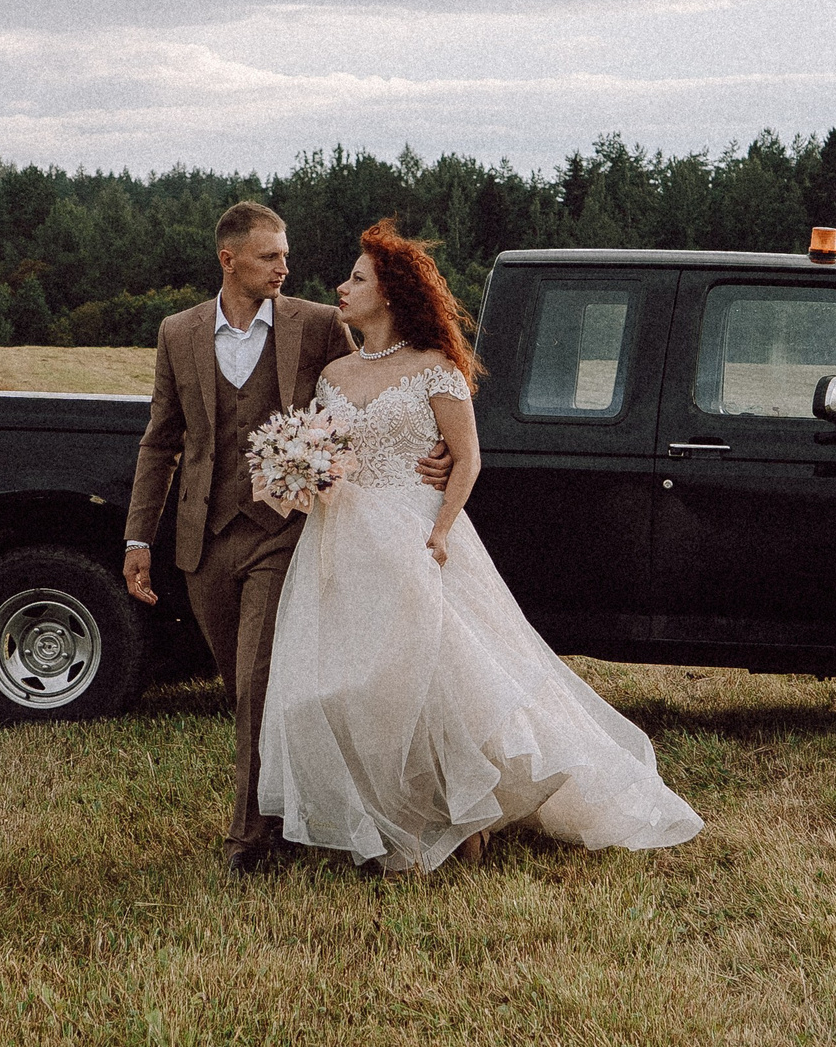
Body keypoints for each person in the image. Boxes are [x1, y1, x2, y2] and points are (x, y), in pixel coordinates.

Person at [257, 220, 703, 875]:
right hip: (342, 536)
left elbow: (467, 458)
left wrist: (440, 529)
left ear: (391, 293)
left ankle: (465, 811)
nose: (342, 288)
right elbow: (331, 452)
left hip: (415, 533)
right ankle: (387, 813)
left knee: (436, 679)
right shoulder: (333, 375)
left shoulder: (435, 369)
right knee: (354, 680)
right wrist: (300, 467)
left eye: (357, 278)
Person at [122, 202, 451, 873]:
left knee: (259, 683)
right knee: (240, 687)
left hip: (286, 534)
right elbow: (161, 442)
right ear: (229, 259)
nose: (283, 267)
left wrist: (435, 446)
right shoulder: (178, 332)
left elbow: (373, 392)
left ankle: (250, 840)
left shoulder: (320, 323)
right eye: (269, 255)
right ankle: (293, 807)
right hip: (205, 540)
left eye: (285, 255)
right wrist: (138, 540)